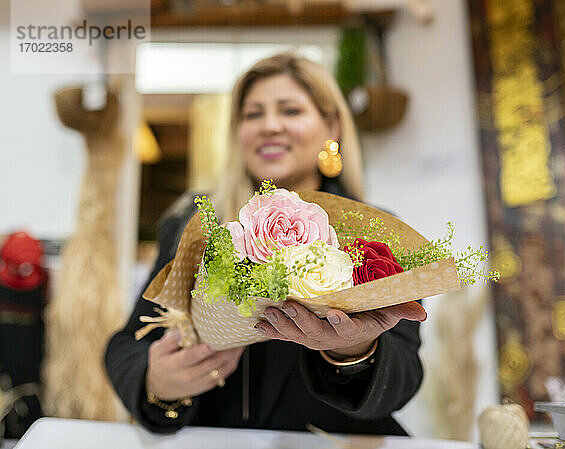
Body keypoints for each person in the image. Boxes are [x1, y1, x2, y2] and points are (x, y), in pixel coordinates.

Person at [105, 52, 426, 436]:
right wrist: (157, 383)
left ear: (332, 126)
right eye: (253, 114)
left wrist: (353, 352)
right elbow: (127, 343)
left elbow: (405, 373)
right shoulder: (191, 224)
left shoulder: (375, 236)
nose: (270, 126)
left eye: (290, 111)